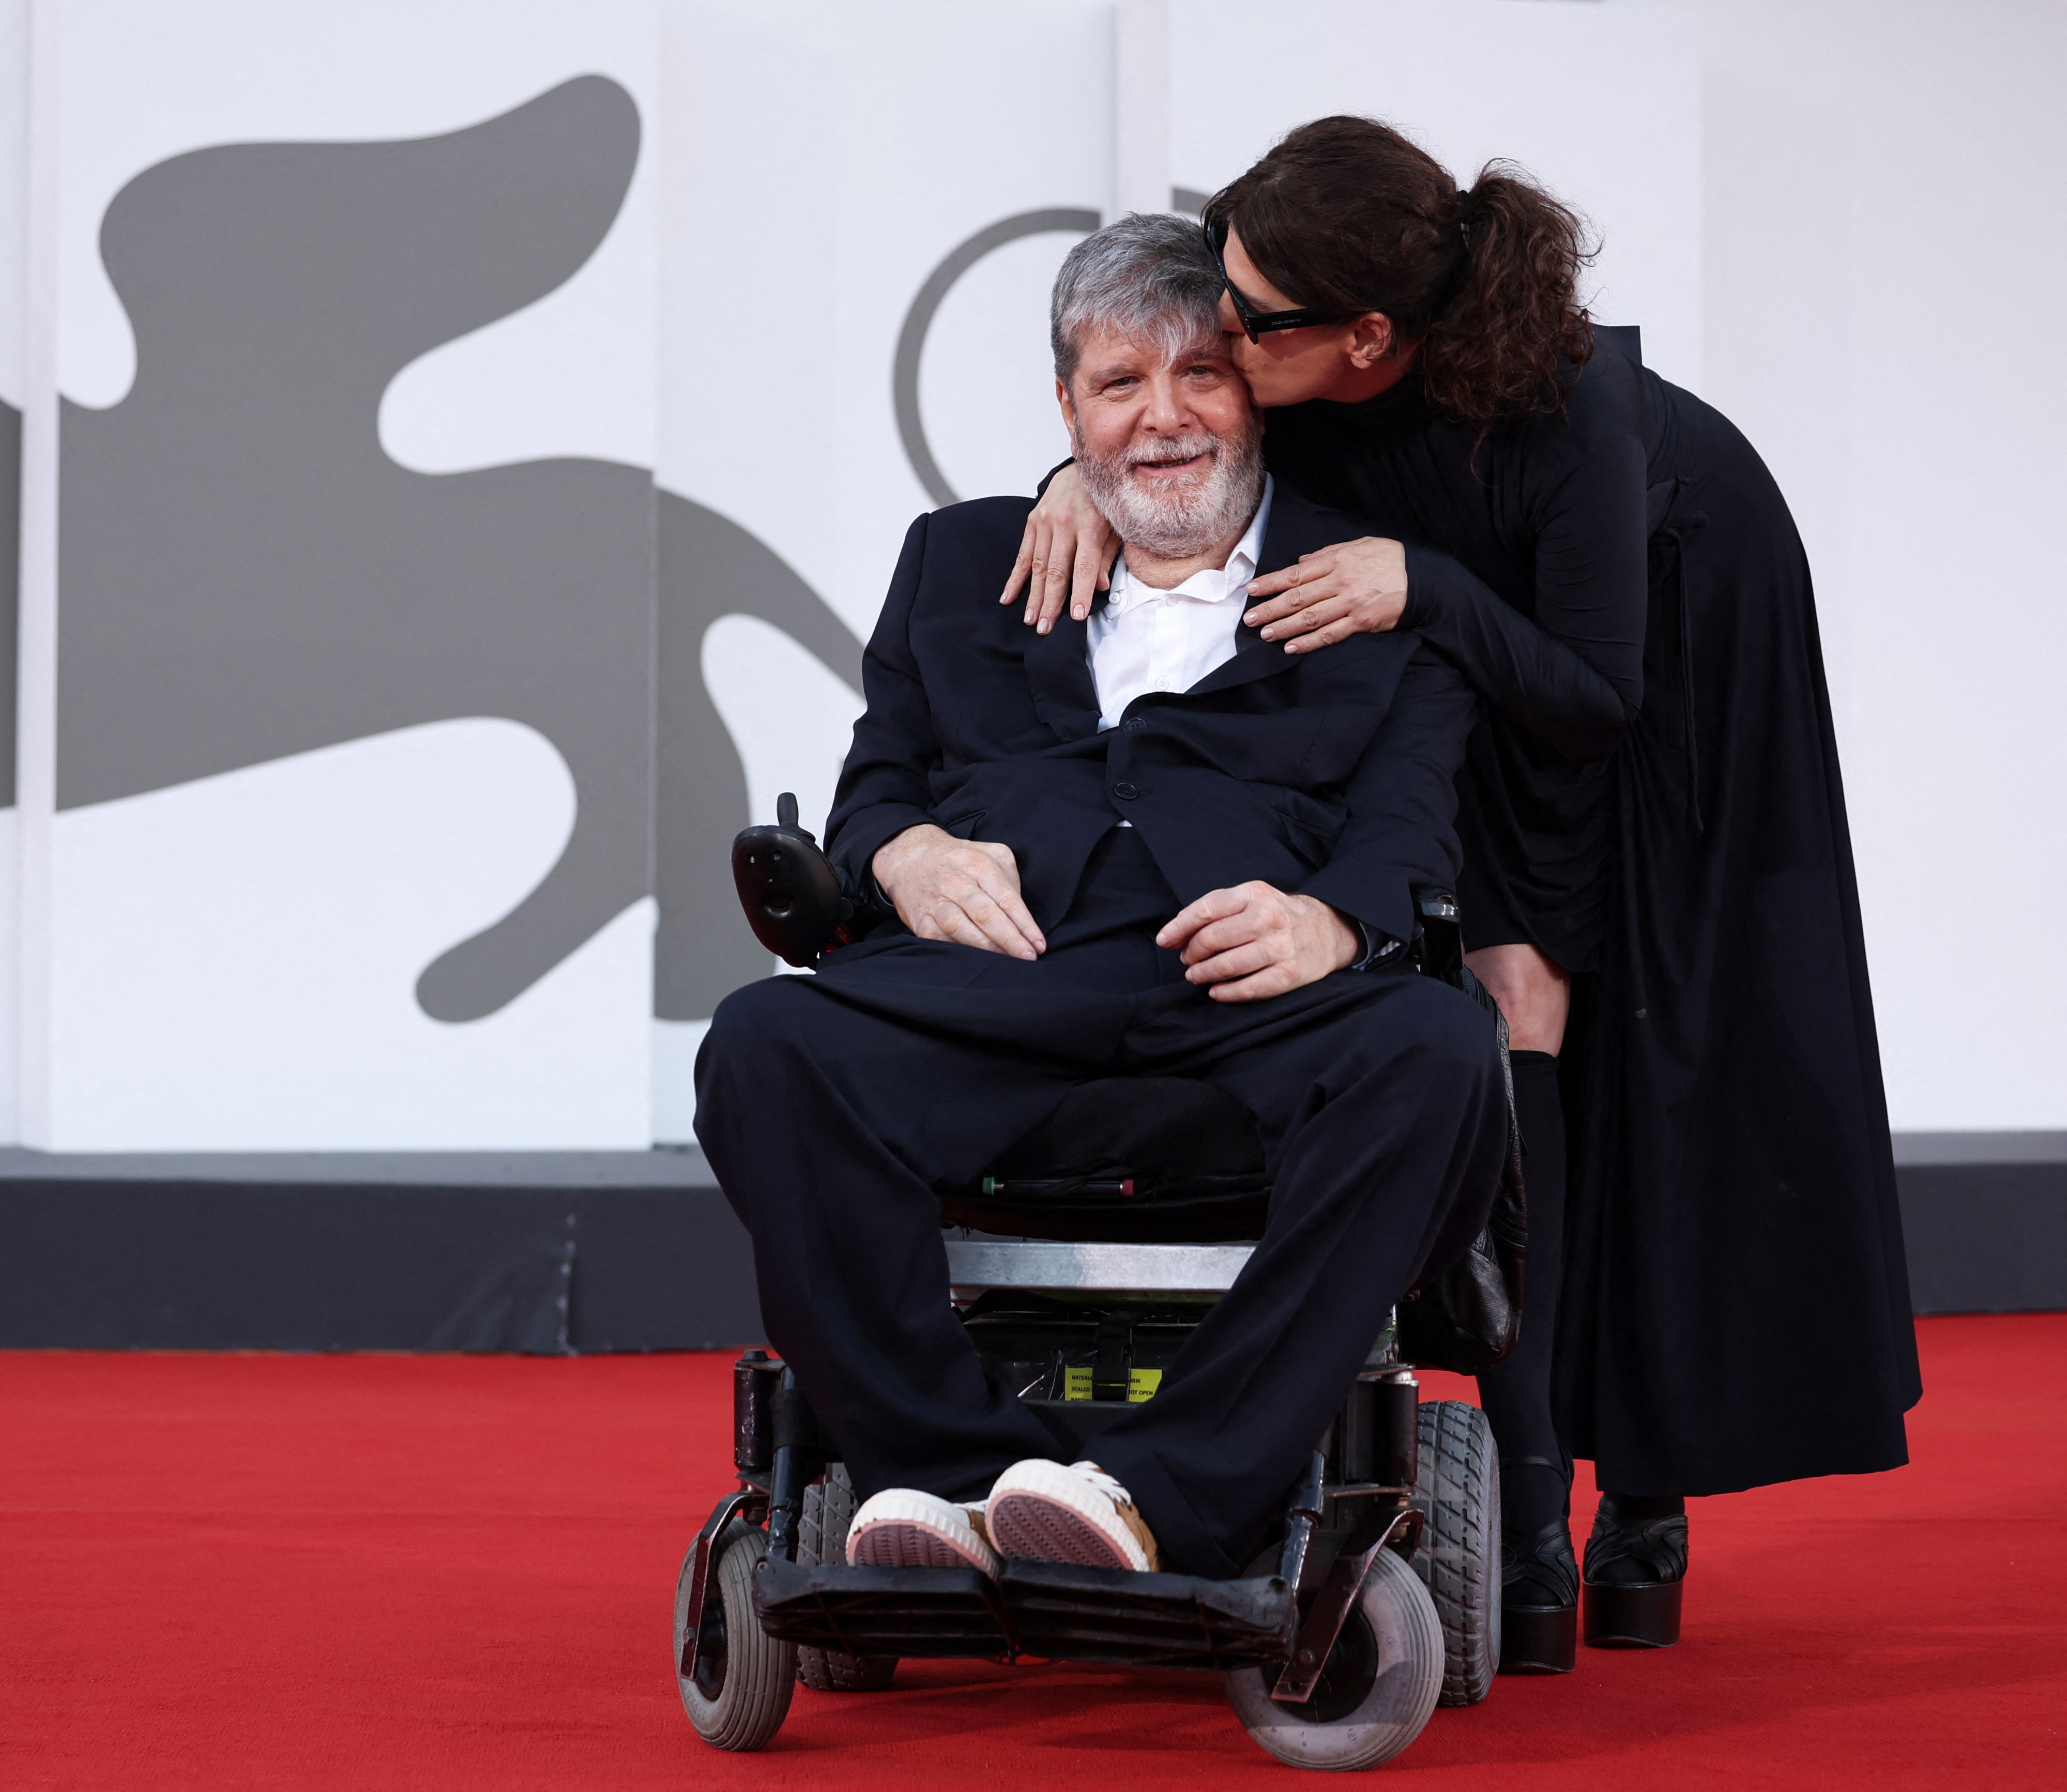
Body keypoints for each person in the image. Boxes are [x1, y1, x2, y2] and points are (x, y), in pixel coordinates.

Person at [1002, 118, 1919, 1655]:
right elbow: (1181, 434)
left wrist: (1428, 584)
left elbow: (1590, 695)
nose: (1216, 332)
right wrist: (1070, 474)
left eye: (1245, 317)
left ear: (1366, 335)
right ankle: (1531, 1520)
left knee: (1666, 1075)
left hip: (1662, 680)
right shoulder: (1324, 359)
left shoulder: (1574, 428)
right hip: (1485, 688)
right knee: (1511, 1036)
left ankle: (1642, 1507)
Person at [694, 215, 1508, 1582]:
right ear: (1065, 407)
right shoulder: (958, 562)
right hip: (993, 994)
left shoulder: (1370, 580)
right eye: (1119, 383)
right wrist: (901, 855)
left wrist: (1326, 923)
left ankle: (1160, 1501)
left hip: (1245, 1006)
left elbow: (1404, 829)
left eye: (1199, 373)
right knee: (764, 1045)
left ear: (1255, 390)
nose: (1162, 416)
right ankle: (941, 1484)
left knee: (1430, 1049)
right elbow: (875, 787)